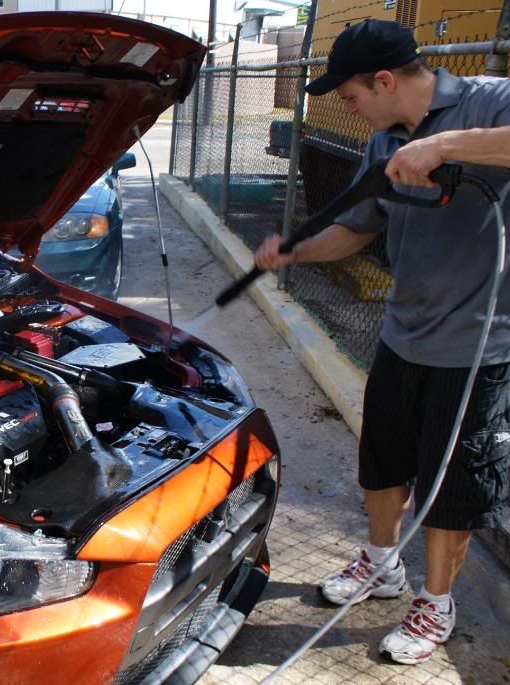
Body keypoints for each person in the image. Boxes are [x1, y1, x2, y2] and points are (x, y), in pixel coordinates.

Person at [254, 19, 510, 665]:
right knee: (383, 458)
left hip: (477, 344)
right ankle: (381, 563)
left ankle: (437, 600)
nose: (347, 105)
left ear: (386, 79)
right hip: (403, 332)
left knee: (451, 481)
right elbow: (356, 228)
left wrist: (446, 144)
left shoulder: (489, 101)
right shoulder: (380, 144)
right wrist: (294, 252)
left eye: (350, 93)